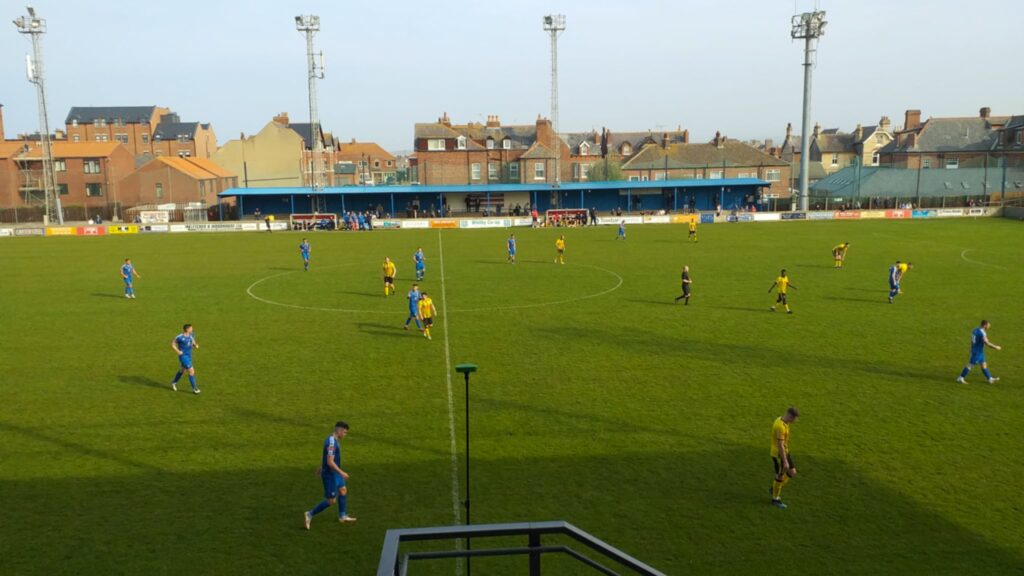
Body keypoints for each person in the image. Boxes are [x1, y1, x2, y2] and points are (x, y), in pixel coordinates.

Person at [304, 421, 356, 529]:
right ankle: (309, 514)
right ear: (339, 430)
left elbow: (326, 457)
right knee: (331, 501)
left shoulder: (333, 440)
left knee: (343, 490)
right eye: (345, 432)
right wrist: (342, 472)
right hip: (330, 475)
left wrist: (320, 467)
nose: (345, 435)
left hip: (334, 473)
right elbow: (330, 462)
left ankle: (342, 516)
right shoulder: (331, 443)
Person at [770, 407, 800, 509]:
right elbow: (780, 445)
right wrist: (785, 461)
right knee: (780, 476)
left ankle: (774, 488)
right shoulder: (780, 427)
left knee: (792, 472)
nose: (794, 421)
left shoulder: (782, 420)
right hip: (779, 455)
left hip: (785, 452)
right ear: (789, 416)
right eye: (794, 419)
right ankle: (775, 499)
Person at [170, 324, 200, 394]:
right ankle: (195, 389)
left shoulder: (191, 334)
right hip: (183, 356)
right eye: (191, 328)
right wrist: (178, 351)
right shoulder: (179, 337)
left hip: (189, 356)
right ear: (187, 330)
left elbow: (192, 341)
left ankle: (174, 382)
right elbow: (172, 344)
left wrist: (195, 345)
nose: (192, 329)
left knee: (182, 370)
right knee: (191, 371)